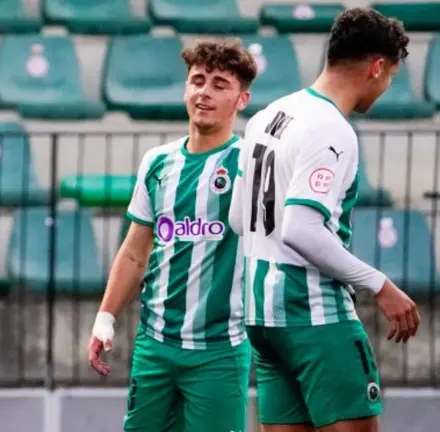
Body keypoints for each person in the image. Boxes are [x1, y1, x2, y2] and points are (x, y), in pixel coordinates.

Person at [229, 7, 420, 432]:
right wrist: (380, 285)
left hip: (262, 315)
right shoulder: (330, 128)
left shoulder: (266, 116)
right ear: (377, 67)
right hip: (311, 312)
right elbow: (302, 228)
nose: (387, 87)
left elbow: (239, 217)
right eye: (391, 75)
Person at [87, 39, 257, 431]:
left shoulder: (250, 163)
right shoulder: (158, 162)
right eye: (197, 80)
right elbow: (134, 252)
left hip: (219, 351)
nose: (205, 92)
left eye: (219, 84)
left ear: (242, 99)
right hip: (155, 346)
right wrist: (105, 318)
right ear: (185, 89)